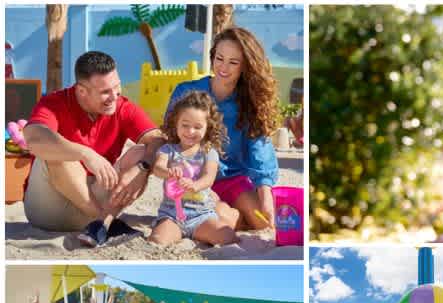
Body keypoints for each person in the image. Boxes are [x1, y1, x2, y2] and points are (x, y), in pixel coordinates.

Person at [22, 51, 164, 246]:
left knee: (142, 153)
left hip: (98, 198)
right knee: (57, 151)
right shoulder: (54, 103)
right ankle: (105, 223)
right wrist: (84, 153)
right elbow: (33, 138)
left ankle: (101, 224)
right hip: (50, 210)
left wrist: (143, 167)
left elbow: (158, 140)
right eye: (105, 92)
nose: (114, 97)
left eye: (117, 86)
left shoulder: (123, 107)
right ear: (82, 91)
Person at [166, 27, 280, 231]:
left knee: (264, 222)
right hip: (195, 178)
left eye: (233, 62)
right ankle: (229, 214)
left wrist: (266, 196)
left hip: (233, 178)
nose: (223, 67)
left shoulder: (250, 102)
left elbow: (260, 149)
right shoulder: (186, 92)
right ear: (213, 56)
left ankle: (233, 214)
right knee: (218, 219)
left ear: (246, 66)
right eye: (219, 58)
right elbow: (171, 138)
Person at [149, 91, 238, 247]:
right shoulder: (168, 150)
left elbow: (209, 177)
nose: (190, 131)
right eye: (185, 125)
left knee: (228, 236)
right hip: (172, 215)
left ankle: (228, 217)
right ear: (176, 123)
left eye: (197, 127)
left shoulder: (208, 152)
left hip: (201, 216)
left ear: (207, 128)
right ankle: (176, 232)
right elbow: (158, 168)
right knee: (157, 240)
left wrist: (195, 185)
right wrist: (169, 172)